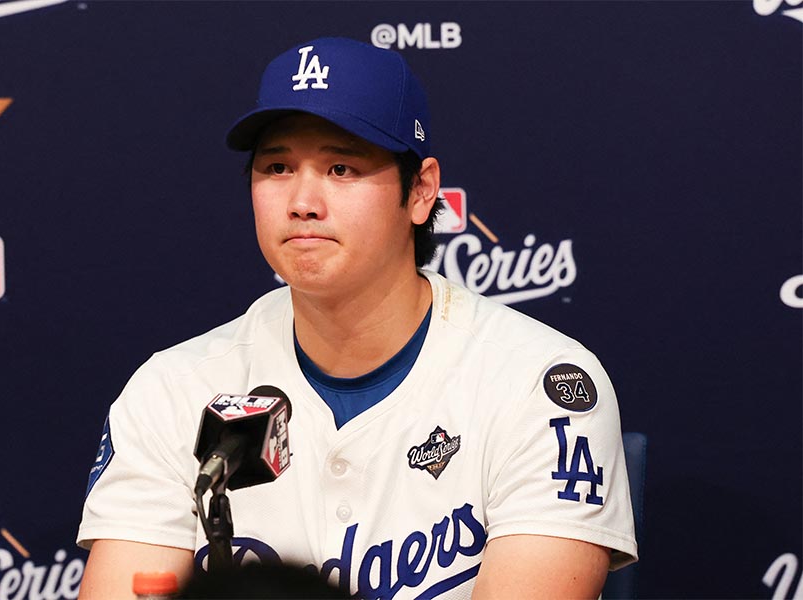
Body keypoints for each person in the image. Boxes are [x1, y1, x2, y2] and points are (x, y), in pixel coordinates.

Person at [77, 37, 637, 599]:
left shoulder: (540, 382)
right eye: (277, 166)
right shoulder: (173, 388)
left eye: (341, 168)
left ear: (420, 191)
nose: (302, 201)